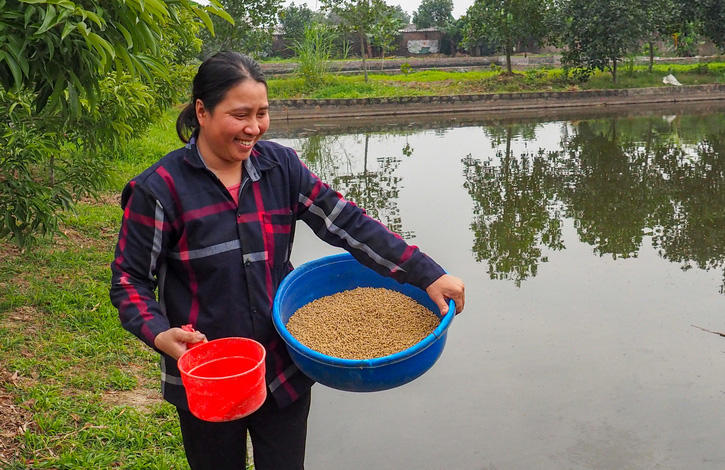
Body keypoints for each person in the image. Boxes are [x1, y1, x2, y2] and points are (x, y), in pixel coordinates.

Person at [109, 51, 465, 470]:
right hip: (209, 375)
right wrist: (159, 334)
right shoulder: (159, 191)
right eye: (240, 115)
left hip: (283, 367)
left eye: (262, 113)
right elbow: (129, 281)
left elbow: (347, 223)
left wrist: (428, 274)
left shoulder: (281, 167)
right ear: (202, 112)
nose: (253, 128)